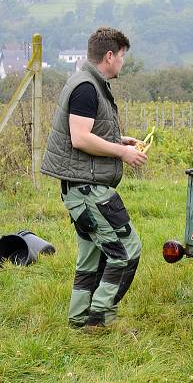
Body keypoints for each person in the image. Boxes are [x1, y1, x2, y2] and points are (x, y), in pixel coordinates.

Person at [41, 27, 147, 330]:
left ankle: (79, 319)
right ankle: (99, 319)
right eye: (123, 56)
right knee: (126, 250)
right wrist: (121, 153)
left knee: (91, 256)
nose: (123, 63)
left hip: (81, 186)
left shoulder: (88, 82)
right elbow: (80, 138)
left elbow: (88, 130)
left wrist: (118, 139)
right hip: (88, 189)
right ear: (109, 56)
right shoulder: (87, 87)